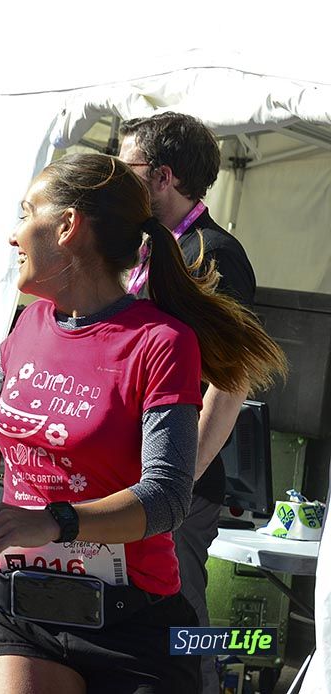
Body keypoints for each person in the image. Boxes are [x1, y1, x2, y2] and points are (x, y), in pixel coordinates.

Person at [0, 153, 285, 693]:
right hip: (21, 604)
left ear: (68, 227)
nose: (13, 236)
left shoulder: (160, 344)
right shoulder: (35, 323)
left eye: (26, 214)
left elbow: (166, 498)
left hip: (129, 617)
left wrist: (54, 522)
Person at [118, 110, 257, 694]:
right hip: (136, 472)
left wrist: (178, 479)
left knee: (182, 621)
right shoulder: (154, 245)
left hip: (177, 482)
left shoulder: (213, 254)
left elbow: (232, 383)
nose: (115, 179)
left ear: (162, 177)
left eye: (126, 169)